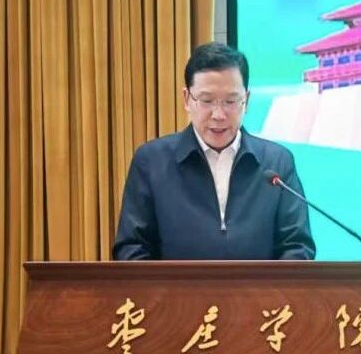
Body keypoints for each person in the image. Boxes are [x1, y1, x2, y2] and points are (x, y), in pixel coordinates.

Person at [112, 42, 315, 260]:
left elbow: (297, 247)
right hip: (175, 285)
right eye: (207, 101)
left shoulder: (277, 163)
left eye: (231, 101)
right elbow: (131, 249)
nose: (218, 114)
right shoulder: (152, 161)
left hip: (261, 285)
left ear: (246, 101)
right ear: (187, 99)